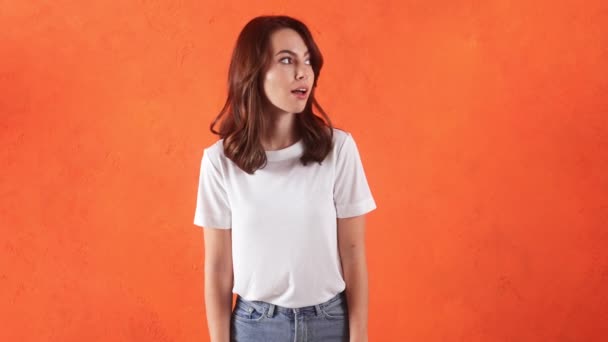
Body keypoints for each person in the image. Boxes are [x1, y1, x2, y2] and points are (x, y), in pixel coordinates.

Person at [194, 15, 377, 342]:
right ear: (253, 73)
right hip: (255, 326)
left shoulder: (338, 150)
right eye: (287, 60)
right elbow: (219, 270)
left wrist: (359, 335)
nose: (302, 71)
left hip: (330, 323)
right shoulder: (219, 162)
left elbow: (353, 252)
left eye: (307, 60)